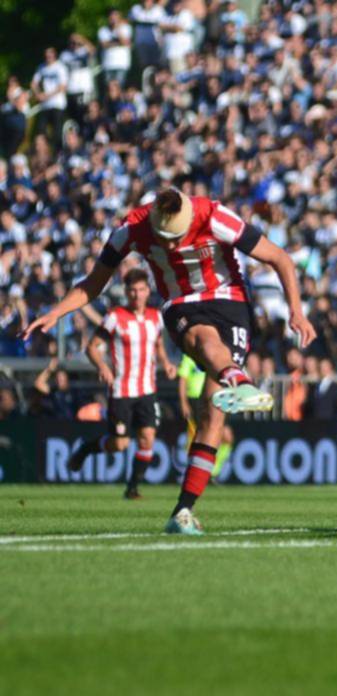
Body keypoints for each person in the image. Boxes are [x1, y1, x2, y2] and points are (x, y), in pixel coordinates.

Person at [21, 187, 316, 535]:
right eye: (165, 239)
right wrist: (55, 313)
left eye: (176, 237)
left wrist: (296, 311)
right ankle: (238, 378)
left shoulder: (214, 216)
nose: (172, 247)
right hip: (181, 304)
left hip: (230, 302)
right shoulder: (131, 229)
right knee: (202, 337)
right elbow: (94, 283)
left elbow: (280, 258)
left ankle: (183, 511)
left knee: (212, 412)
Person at [67, 268, 175, 499]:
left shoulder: (156, 318)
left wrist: (166, 363)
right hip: (121, 391)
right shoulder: (115, 317)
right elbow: (92, 347)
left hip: (147, 390)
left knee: (147, 438)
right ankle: (87, 448)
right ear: (126, 292)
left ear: (148, 291)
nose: (137, 295)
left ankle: (132, 488)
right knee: (120, 444)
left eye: (141, 290)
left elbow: (157, 344)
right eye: (132, 290)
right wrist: (103, 367)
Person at [178, 353, 233, 477]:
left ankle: (213, 471)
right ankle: (195, 471)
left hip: (214, 399)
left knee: (227, 436)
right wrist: (183, 402)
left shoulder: (214, 354)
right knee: (197, 438)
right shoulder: (189, 356)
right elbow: (183, 379)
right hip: (195, 399)